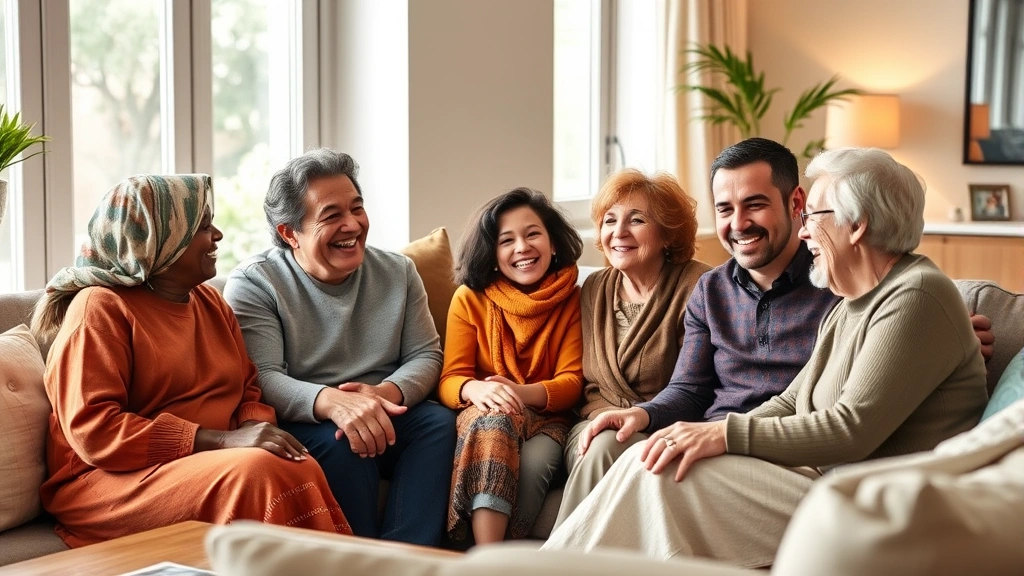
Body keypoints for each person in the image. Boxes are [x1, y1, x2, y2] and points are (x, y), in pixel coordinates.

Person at [543, 147, 990, 567]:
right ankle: (548, 567)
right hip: (821, 479)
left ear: (856, 225)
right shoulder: (854, 301)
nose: (805, 229)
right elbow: (792, 399)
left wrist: (724, 435)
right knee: (649, 459)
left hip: (872, 500)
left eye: (814, 216)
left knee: (661, 478)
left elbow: (850, 428)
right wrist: (703, 433)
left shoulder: (915, 295)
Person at [32, 174, 349, 548]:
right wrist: (223, 440)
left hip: (207, 460)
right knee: (256, 471)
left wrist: (255, 429)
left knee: (294, 461)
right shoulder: (99, 308)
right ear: (161, 240)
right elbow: (96, 431)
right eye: (202, 227)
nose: (217, 235)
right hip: (108, 478)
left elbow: (248, 388)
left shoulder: (210, 302)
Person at [223, 149, 456, 547]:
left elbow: (426, 354)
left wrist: (383, 394)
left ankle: (409, 559)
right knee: (343, 442)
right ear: (289, 233)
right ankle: (358, 561)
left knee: (437, 424)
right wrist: (333, 403)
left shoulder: (398, 271)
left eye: (357, 208)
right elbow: (263, 377)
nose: (353, 224)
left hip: (385, 407)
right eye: (332, 216)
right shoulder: (255, 283)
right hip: (309, 417)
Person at [553, 169, 711, 529]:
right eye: (610, 221)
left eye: (636, 220)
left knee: (608, 444)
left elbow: (697, 385)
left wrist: (640, 416)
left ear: (667, 233)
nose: (619, 232)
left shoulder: (699, 285)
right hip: (593, 423)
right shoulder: (593, 288)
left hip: (665, 425)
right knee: (601, 441)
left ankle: (559, 553)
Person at [438, 188, 584, 544]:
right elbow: (450, 379)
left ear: (553, 243)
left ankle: (503, 554)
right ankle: (489, 557)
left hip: (548, 419)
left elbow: (572, 383)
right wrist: (477, 388)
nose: (522, 247)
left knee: (534, 464)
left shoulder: (574, 298)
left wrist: (517, 392)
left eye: (533, 234)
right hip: (487, 412)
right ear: (491, 253)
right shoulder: (469, 299)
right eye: (507, 240)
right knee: (496, 423)